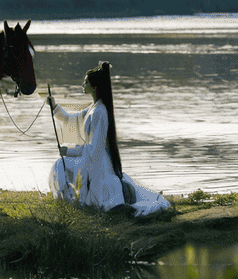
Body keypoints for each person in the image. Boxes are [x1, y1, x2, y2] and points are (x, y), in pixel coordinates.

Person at [47, 61, 170, 217]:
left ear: (94, 86)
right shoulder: (93, 108)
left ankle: (72, 202)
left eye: (85, 83)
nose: (82, 85)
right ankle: (70, 201)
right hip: (91, 158)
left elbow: (95, 148)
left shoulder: (99, 112)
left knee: (61, 165)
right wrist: (54, 107)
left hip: (98, 163)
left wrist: (69, 151)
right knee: (61, 165)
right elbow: (72, 119)